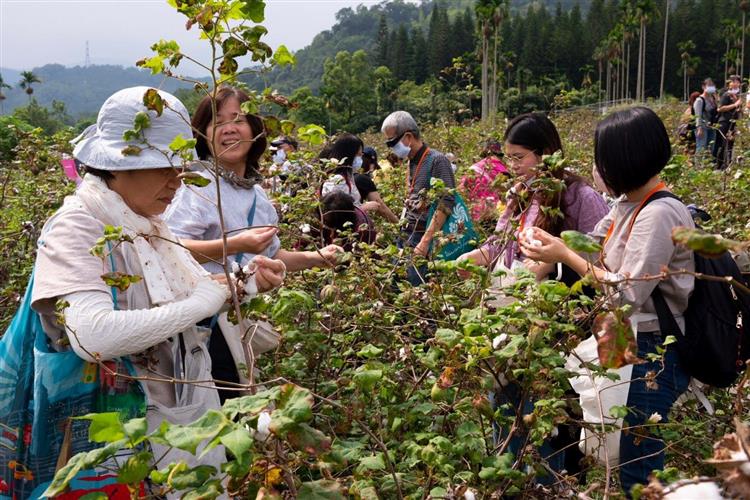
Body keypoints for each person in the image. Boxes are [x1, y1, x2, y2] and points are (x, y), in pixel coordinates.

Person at [27, 87, 286, 492]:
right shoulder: (79, 225)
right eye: (164, 167)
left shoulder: (148, 224)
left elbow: (185, 294)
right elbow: (91, 334)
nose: (177, 180)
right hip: (119, 438)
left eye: (180, 166)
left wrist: (243, 282)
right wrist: (205, 299)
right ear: (116, 166)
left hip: (173, 421)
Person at [519, 106, 694, 494]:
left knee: (638, 460)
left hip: (652, 348)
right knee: (617, 448)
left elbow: (627, 292)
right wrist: (551, 243)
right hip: (626, 339)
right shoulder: (626, 206)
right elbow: (590, 245)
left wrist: (564, 257)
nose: (596, 169)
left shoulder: (660, 213)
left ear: (623, 160)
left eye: (601, 160)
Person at [164, 86, 342, 400]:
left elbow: (272, 255)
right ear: (203, 135)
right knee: (226, 406)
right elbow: (169, 246)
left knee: (246, 403)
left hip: (241, 313)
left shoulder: (258, 195)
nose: (230, 128)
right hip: (206, 321)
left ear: (255, 130)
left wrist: (318, 258)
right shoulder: (197, 185)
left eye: (238, 119)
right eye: (218, 122)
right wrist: (231, 245)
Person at [456, 113, 608, 284]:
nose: (513, 166)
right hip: (518, 295)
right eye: (509, 158)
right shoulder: (519, 193)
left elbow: (601, 255)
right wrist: (472, 257)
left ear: (545, 153)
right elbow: (501, 244)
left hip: (561, 301)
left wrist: (553, 264)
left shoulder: (581, 197)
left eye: (519, 157)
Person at [380, 110, 456, 285]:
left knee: (415, 289)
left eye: (392, 142)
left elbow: (446, 202)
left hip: (423, 237)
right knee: (396, 285)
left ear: (408, 137)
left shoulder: (437, 161)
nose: (392, 148)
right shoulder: (411, 161)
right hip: (408, 234)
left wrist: (425, 242)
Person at [458, 138, 509, 223]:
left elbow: (461, 190)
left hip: (475, 214)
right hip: (497, 215)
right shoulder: (504, 170)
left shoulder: (473, 168)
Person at [355, 146, 400, 223]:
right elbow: (381, 207)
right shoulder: (363, 179)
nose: (373, 170)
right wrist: (398, 223)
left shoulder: (347, 175)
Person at [713, 75, 743, 169]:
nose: (736, 84)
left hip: (733, 123)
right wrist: (735, 105)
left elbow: (738, 110)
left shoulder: (737, 96)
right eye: (733, 81)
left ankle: (728, 164)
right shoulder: (726, 95)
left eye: (737, 82)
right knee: (723, 144)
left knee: (730, 144)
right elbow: (720, 108)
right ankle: (719, 165)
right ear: (729, 84)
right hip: (724, 122)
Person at [693, 78, 718, 157]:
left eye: (712, 86)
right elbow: (698, 115)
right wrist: (699, 128)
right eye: (709, 86)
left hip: (712, 126)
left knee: (710, 149)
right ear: (703, 87)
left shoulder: (713, 99)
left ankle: (708, 167)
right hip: (703, 127)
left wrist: (717, 98)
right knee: (701, 148)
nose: (711, 88)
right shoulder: (699, 100)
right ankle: (699, 167)